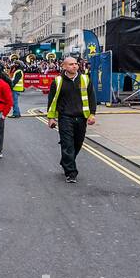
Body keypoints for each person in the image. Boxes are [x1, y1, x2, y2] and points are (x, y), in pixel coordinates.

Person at [46, 55, 97, 183]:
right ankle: (71, 172)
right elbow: (52, 100)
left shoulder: (85, 79)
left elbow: (92, 98)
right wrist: (51, 118)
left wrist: (92, 114)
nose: (74, 66)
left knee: (77, 144)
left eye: (76, 64)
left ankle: (66, 161)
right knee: (67, 144)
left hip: (81, 117)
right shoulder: (57, 81)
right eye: (71, 64)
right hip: (65, 117)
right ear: (64, 66)